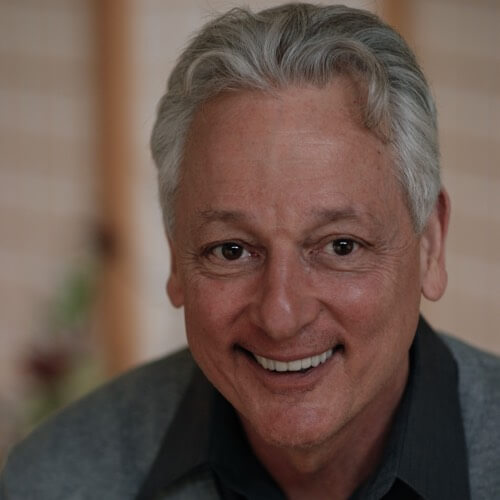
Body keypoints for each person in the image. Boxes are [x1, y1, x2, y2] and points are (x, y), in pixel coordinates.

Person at [1, 3, 499, 499]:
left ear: (431, 244)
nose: (280, 316)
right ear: (176, 258)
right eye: (232, 250)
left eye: (340, 246)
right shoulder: (52, 480)